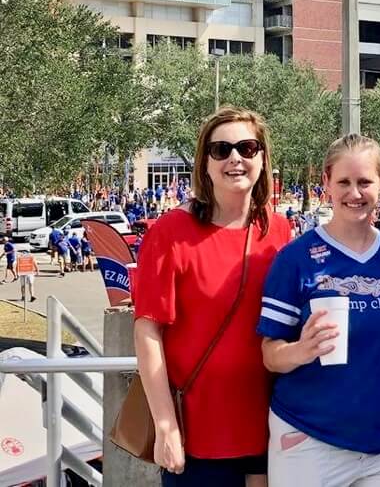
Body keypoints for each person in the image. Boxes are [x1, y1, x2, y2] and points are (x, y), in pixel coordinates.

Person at [134, 106, 291, 486]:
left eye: (247, 148)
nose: (235, 158)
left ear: (263, 158)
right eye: (221, 150)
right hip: (196, 434)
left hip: (269, 425)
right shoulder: (171, 232)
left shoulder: (280, 231)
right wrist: (165, 424)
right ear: (205, 163)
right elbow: (147, 332)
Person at [258, 134, 380, 487]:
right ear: (326, 182)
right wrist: (301, 349)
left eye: (364, 182)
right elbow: (269, 354)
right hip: (310, 439)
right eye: (343, 181)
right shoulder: (295, 259)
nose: (354, 193)